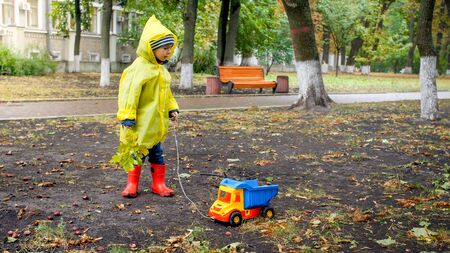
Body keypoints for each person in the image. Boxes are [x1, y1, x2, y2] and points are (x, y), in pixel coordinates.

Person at [117, 15, 179, 198]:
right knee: (137, 154)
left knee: (157, 154)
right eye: (165, 48)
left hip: (155, 124)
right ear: (151, 48)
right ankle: (131, 184)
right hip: (140, 124)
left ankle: (158, 184)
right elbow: (128, 93)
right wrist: (127, 115)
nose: (168, 52)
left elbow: (166, 94)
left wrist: (171, 108)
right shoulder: (138, 69)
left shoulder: (162, 71)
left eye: (170, 48)